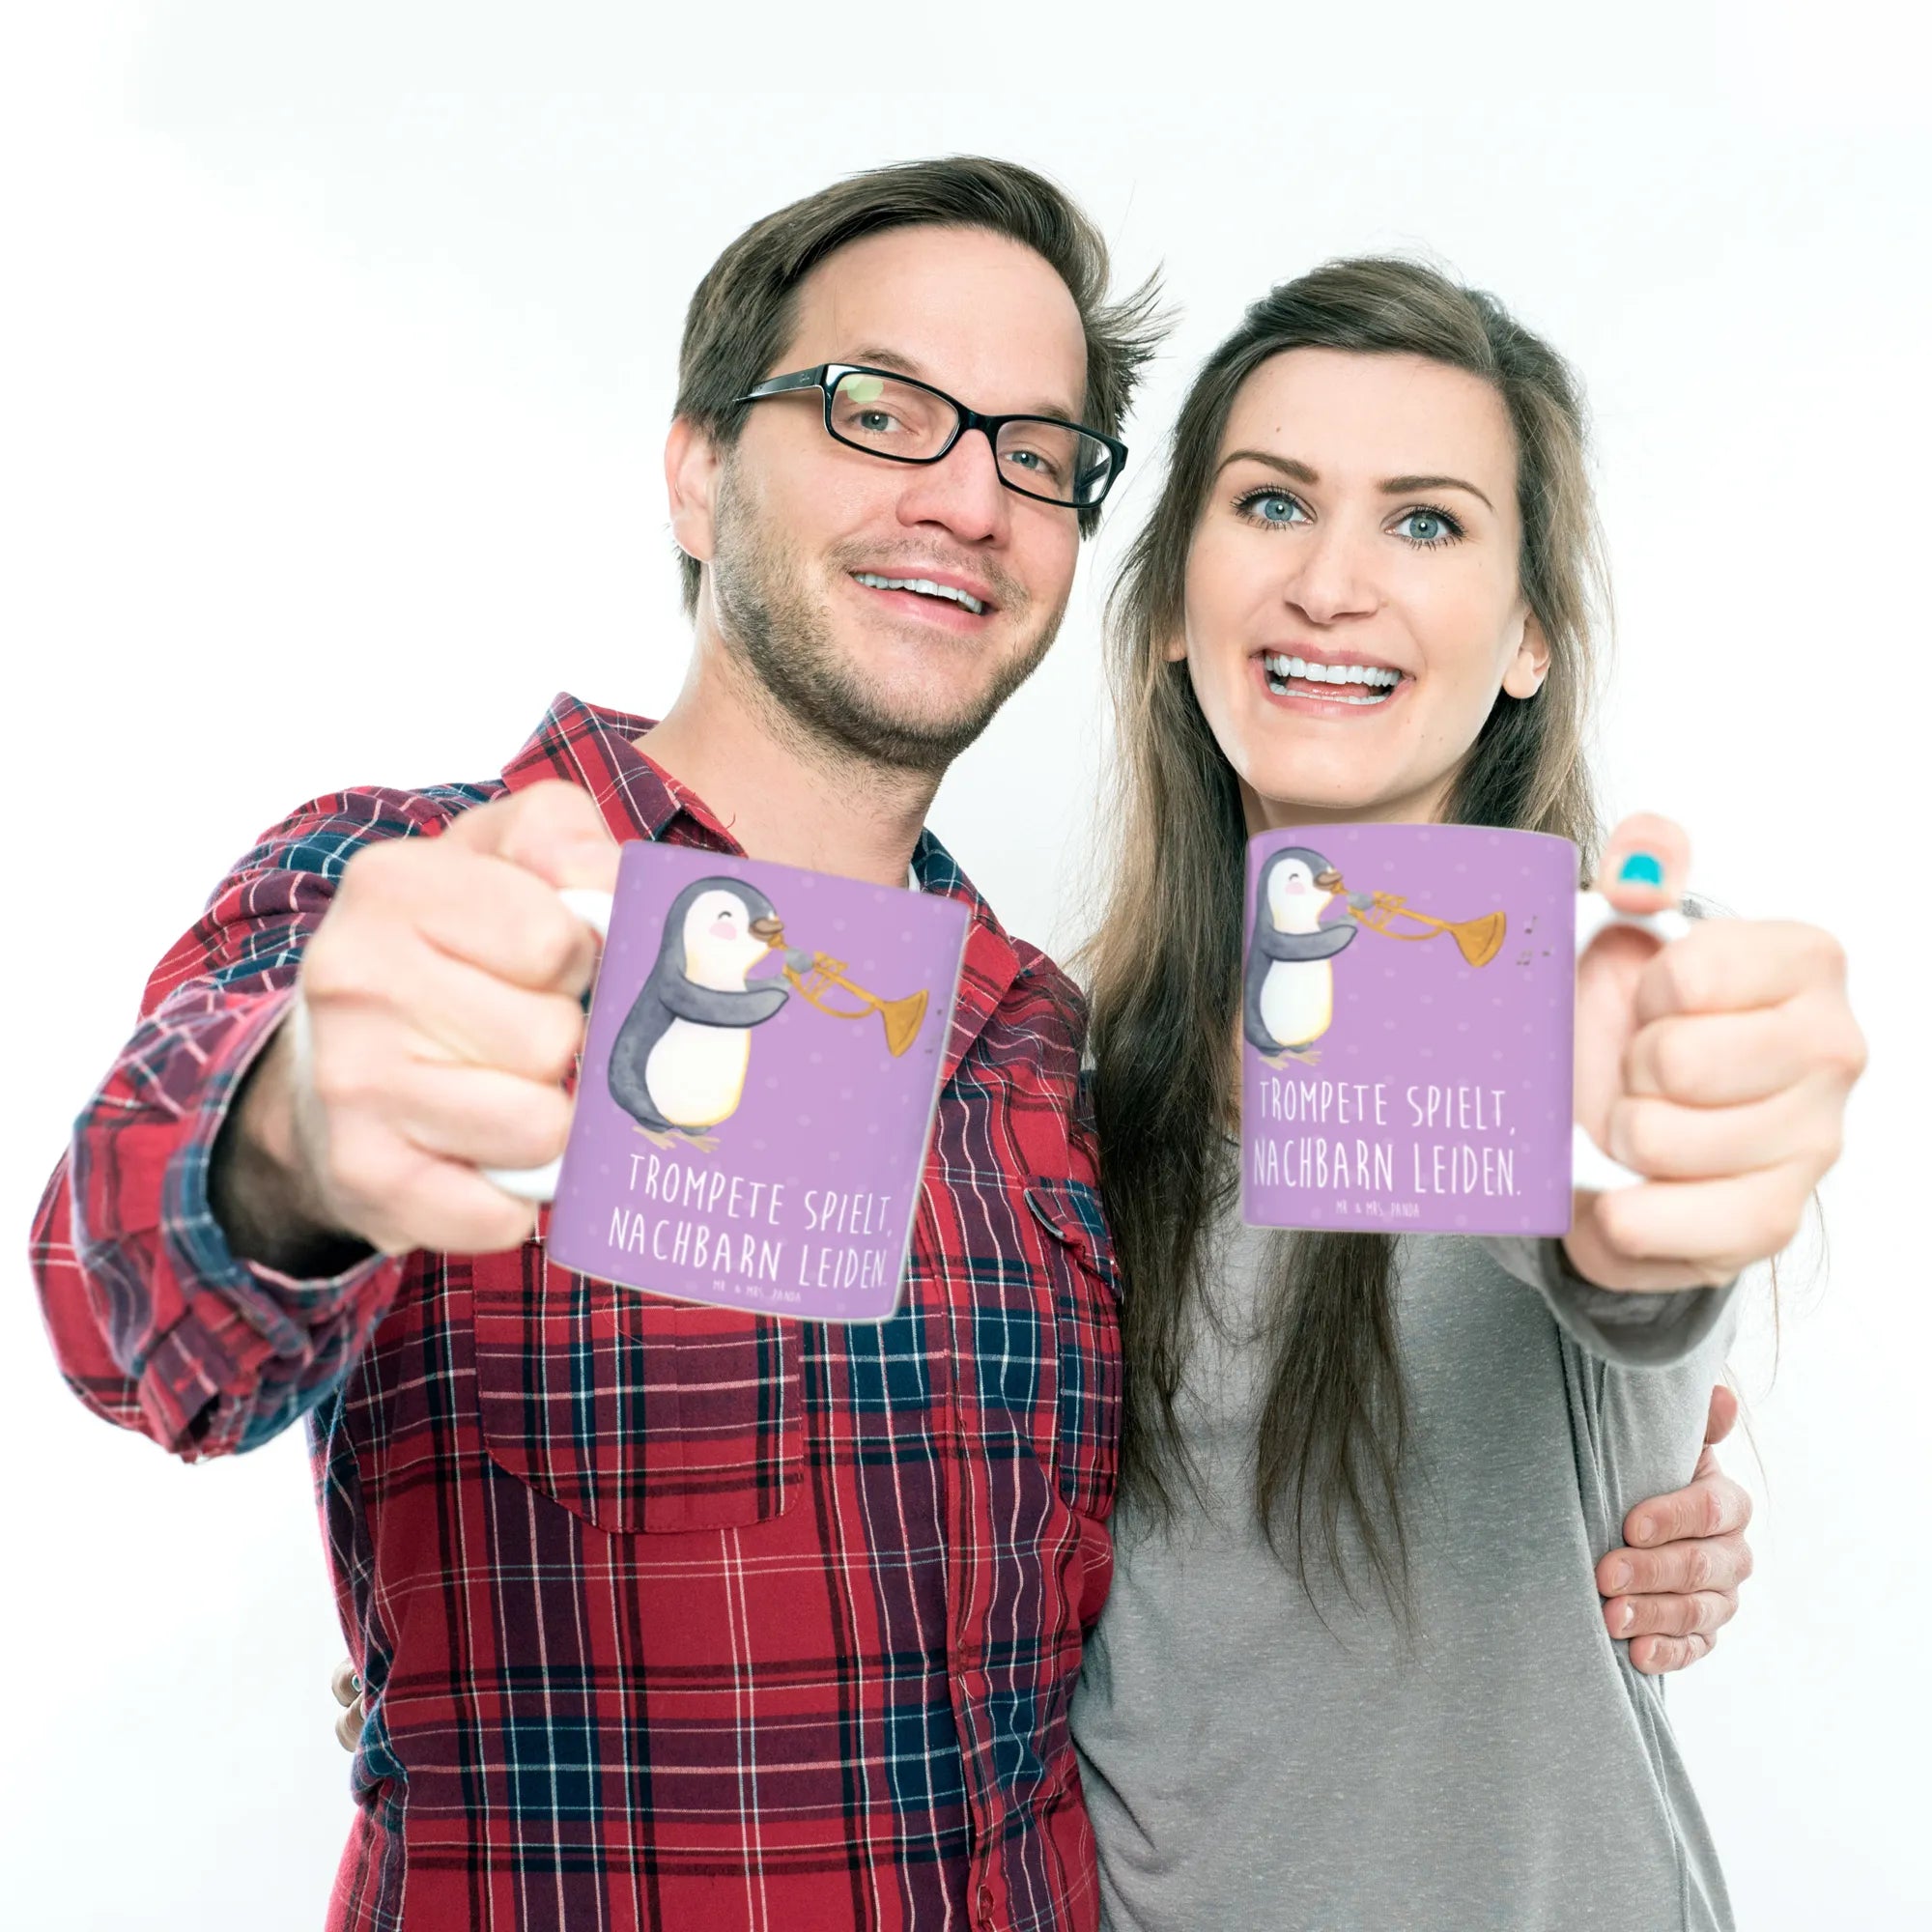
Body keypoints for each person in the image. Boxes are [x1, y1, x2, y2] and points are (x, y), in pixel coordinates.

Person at [35, 158, 1754, 1931]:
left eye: (1034, 451)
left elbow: (1581, 1246)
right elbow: (123, 1289)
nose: (966, 497)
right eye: (880, 409)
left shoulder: (1043, 1055)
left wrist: (1648, 1402)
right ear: (699, 468)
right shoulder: (424, 893)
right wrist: (296, 1138)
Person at [1071, 258, 1866, 1929]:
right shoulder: (1064, 1077)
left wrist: (1664, 1177)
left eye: (1426, 522)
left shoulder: (1589, 997)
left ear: (1527, 639)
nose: (1332, 583)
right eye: (1272, 503)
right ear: (1170, 606)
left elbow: (1623, 1243)